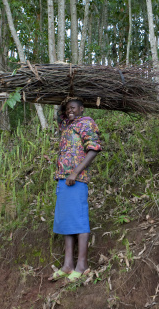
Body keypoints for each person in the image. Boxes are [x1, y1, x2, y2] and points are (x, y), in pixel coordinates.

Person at [50, 98, 102, 283]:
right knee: (66, 223)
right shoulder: (66, 125)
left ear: (82, 108)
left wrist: (75, 173)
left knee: (79, 221)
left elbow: (94, 149)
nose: (69, 111)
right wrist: (63, 97)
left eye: (73, 108)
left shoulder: (86, 123)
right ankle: (67, 266)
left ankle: (82, 265)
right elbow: (59, 113)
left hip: (76, 179)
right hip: (63, 178)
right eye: (67, 109)